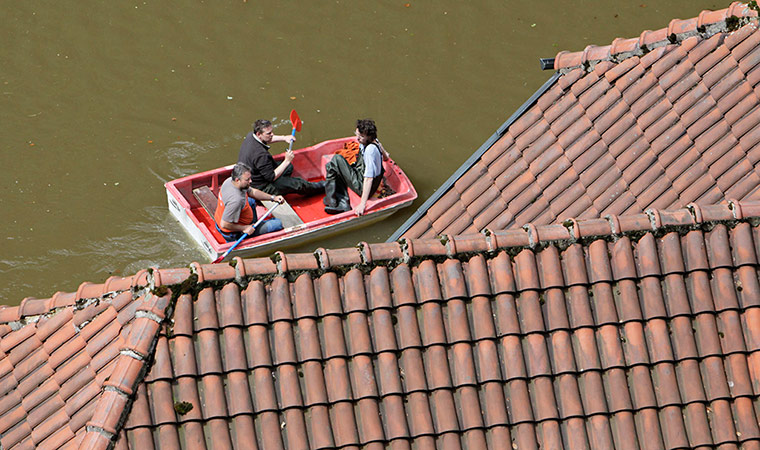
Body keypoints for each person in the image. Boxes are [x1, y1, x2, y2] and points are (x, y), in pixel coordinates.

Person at [238, 119, 325, 196]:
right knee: (297, 183)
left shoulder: (251, 136)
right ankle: (320, 186)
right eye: (269, 133)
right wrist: (286, 160)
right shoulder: (261, 155)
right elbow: (271, 177)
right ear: (259, 134)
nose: (272, 134)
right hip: (260, 187)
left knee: (289, 167)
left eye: (272, 131)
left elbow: (267, 139)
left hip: (256, 174)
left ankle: (284, 184)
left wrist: (284, 138)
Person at [323, 119, 389, 215]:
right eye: (357, 134)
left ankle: (332, 202)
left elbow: (368, 179)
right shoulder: (374, 141)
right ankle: (342, 200)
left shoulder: (370, 151)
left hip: (363, 185)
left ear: (369, 137)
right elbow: (384, 154)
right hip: (360, 174)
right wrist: (386, 157)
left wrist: (362, 204)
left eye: (361, 136)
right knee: (333, 166)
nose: (357, 139)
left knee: (336, 160)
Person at [214, 163, 285, 241]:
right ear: (238, 180)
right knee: (278, 224)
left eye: (250, 178)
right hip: (233, 232)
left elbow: (251, 191)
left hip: (233, 218)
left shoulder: (229, 181)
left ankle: (253, 223)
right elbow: (224, 224)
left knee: (251, 200)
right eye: (247, 180)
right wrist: (245, 228)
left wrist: (273, 197)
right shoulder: (236, 201)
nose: (250, 181)